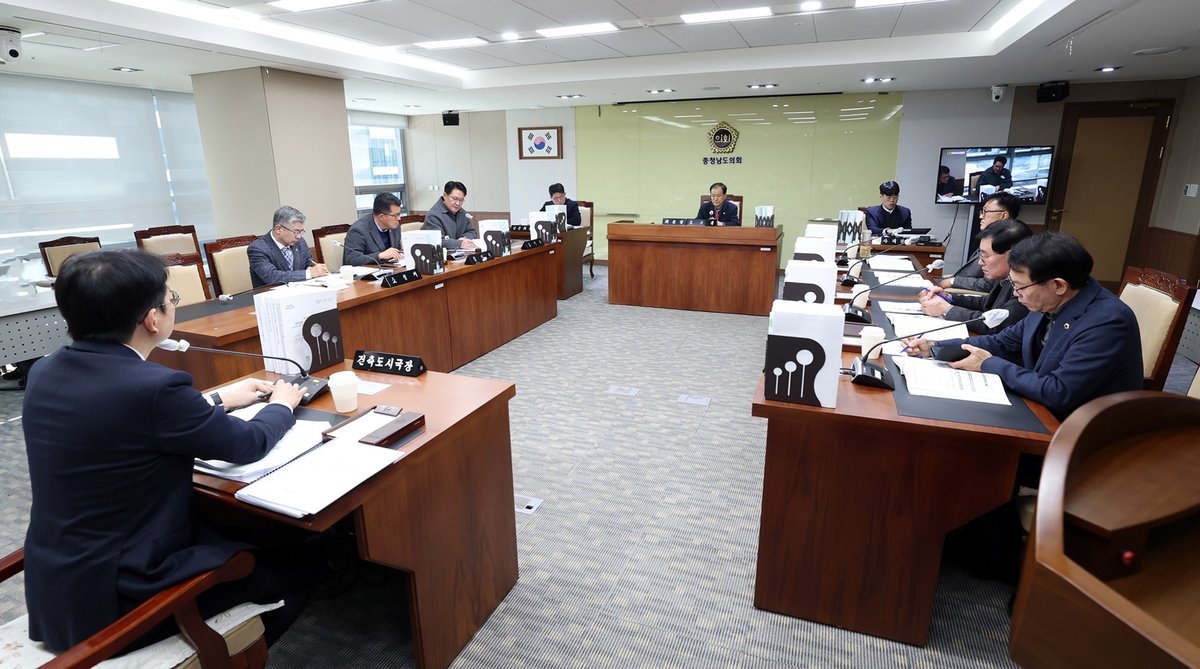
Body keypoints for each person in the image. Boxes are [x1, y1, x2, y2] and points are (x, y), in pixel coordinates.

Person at [22, 248, 318, 652]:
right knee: (302, 564)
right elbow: (246, 444)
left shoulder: (45, 369)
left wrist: (218, 400)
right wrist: (282, 404)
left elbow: (118, 421)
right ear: (152, 319)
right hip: (119, 599)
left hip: (57, 587)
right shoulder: (155, 388)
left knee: (239, 530)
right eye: (170, 299)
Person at [904, 232, 1142, 419]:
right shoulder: (1048, 302)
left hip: (1079, 431)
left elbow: (1059, 391)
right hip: (1038, 406)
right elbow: (1001, 342)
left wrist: (988, 364)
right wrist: (936, 347)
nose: (1015, 294)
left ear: (1058, 285)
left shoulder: (1107, 322)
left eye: (1020, 286)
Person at [918, 219, 1032, 335]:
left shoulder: (1026, 287)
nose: (980, 262)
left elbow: (995, 326)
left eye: (986, 256)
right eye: (980, 255)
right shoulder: (1004, 277)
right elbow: (986, 303)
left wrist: (946, 310)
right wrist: (947, 297)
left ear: (1012, 256)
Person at [939, 192, 1021, 291]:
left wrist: (953, 281)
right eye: (982, 211)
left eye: (986, 211)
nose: (981, 216)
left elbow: (987, 285)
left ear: (1003, 216)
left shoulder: (1007, 241)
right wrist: (954, 278)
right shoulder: (990, 237)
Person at [248, 205, 329, 288]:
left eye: (301, 231)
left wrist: (315, 269)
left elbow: (308, 262)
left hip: (301, 291)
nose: (299, 236)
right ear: (278, 229)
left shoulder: (300, 242)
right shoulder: (258, 248)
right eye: (296, 232)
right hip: (271, 294)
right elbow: (272, 277)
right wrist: (309, 273)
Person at [343, 192, 405, 265]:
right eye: (395, 215)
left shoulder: (394, 226)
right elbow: (352, 259)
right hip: (368, 271)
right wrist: (379, 256)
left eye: (399, 214)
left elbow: (396, 249)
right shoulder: (358, 230)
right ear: (382, 217)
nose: (399, 218)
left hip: (390, 268)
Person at [423, 180, 477, 250]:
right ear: (445, 195)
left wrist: (465, 238)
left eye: (461, 200)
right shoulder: (433, 215)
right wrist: (459, 243)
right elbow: (436, 241)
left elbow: (472, 231)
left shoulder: (462, 213)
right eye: (454, 199)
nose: (458, 203)